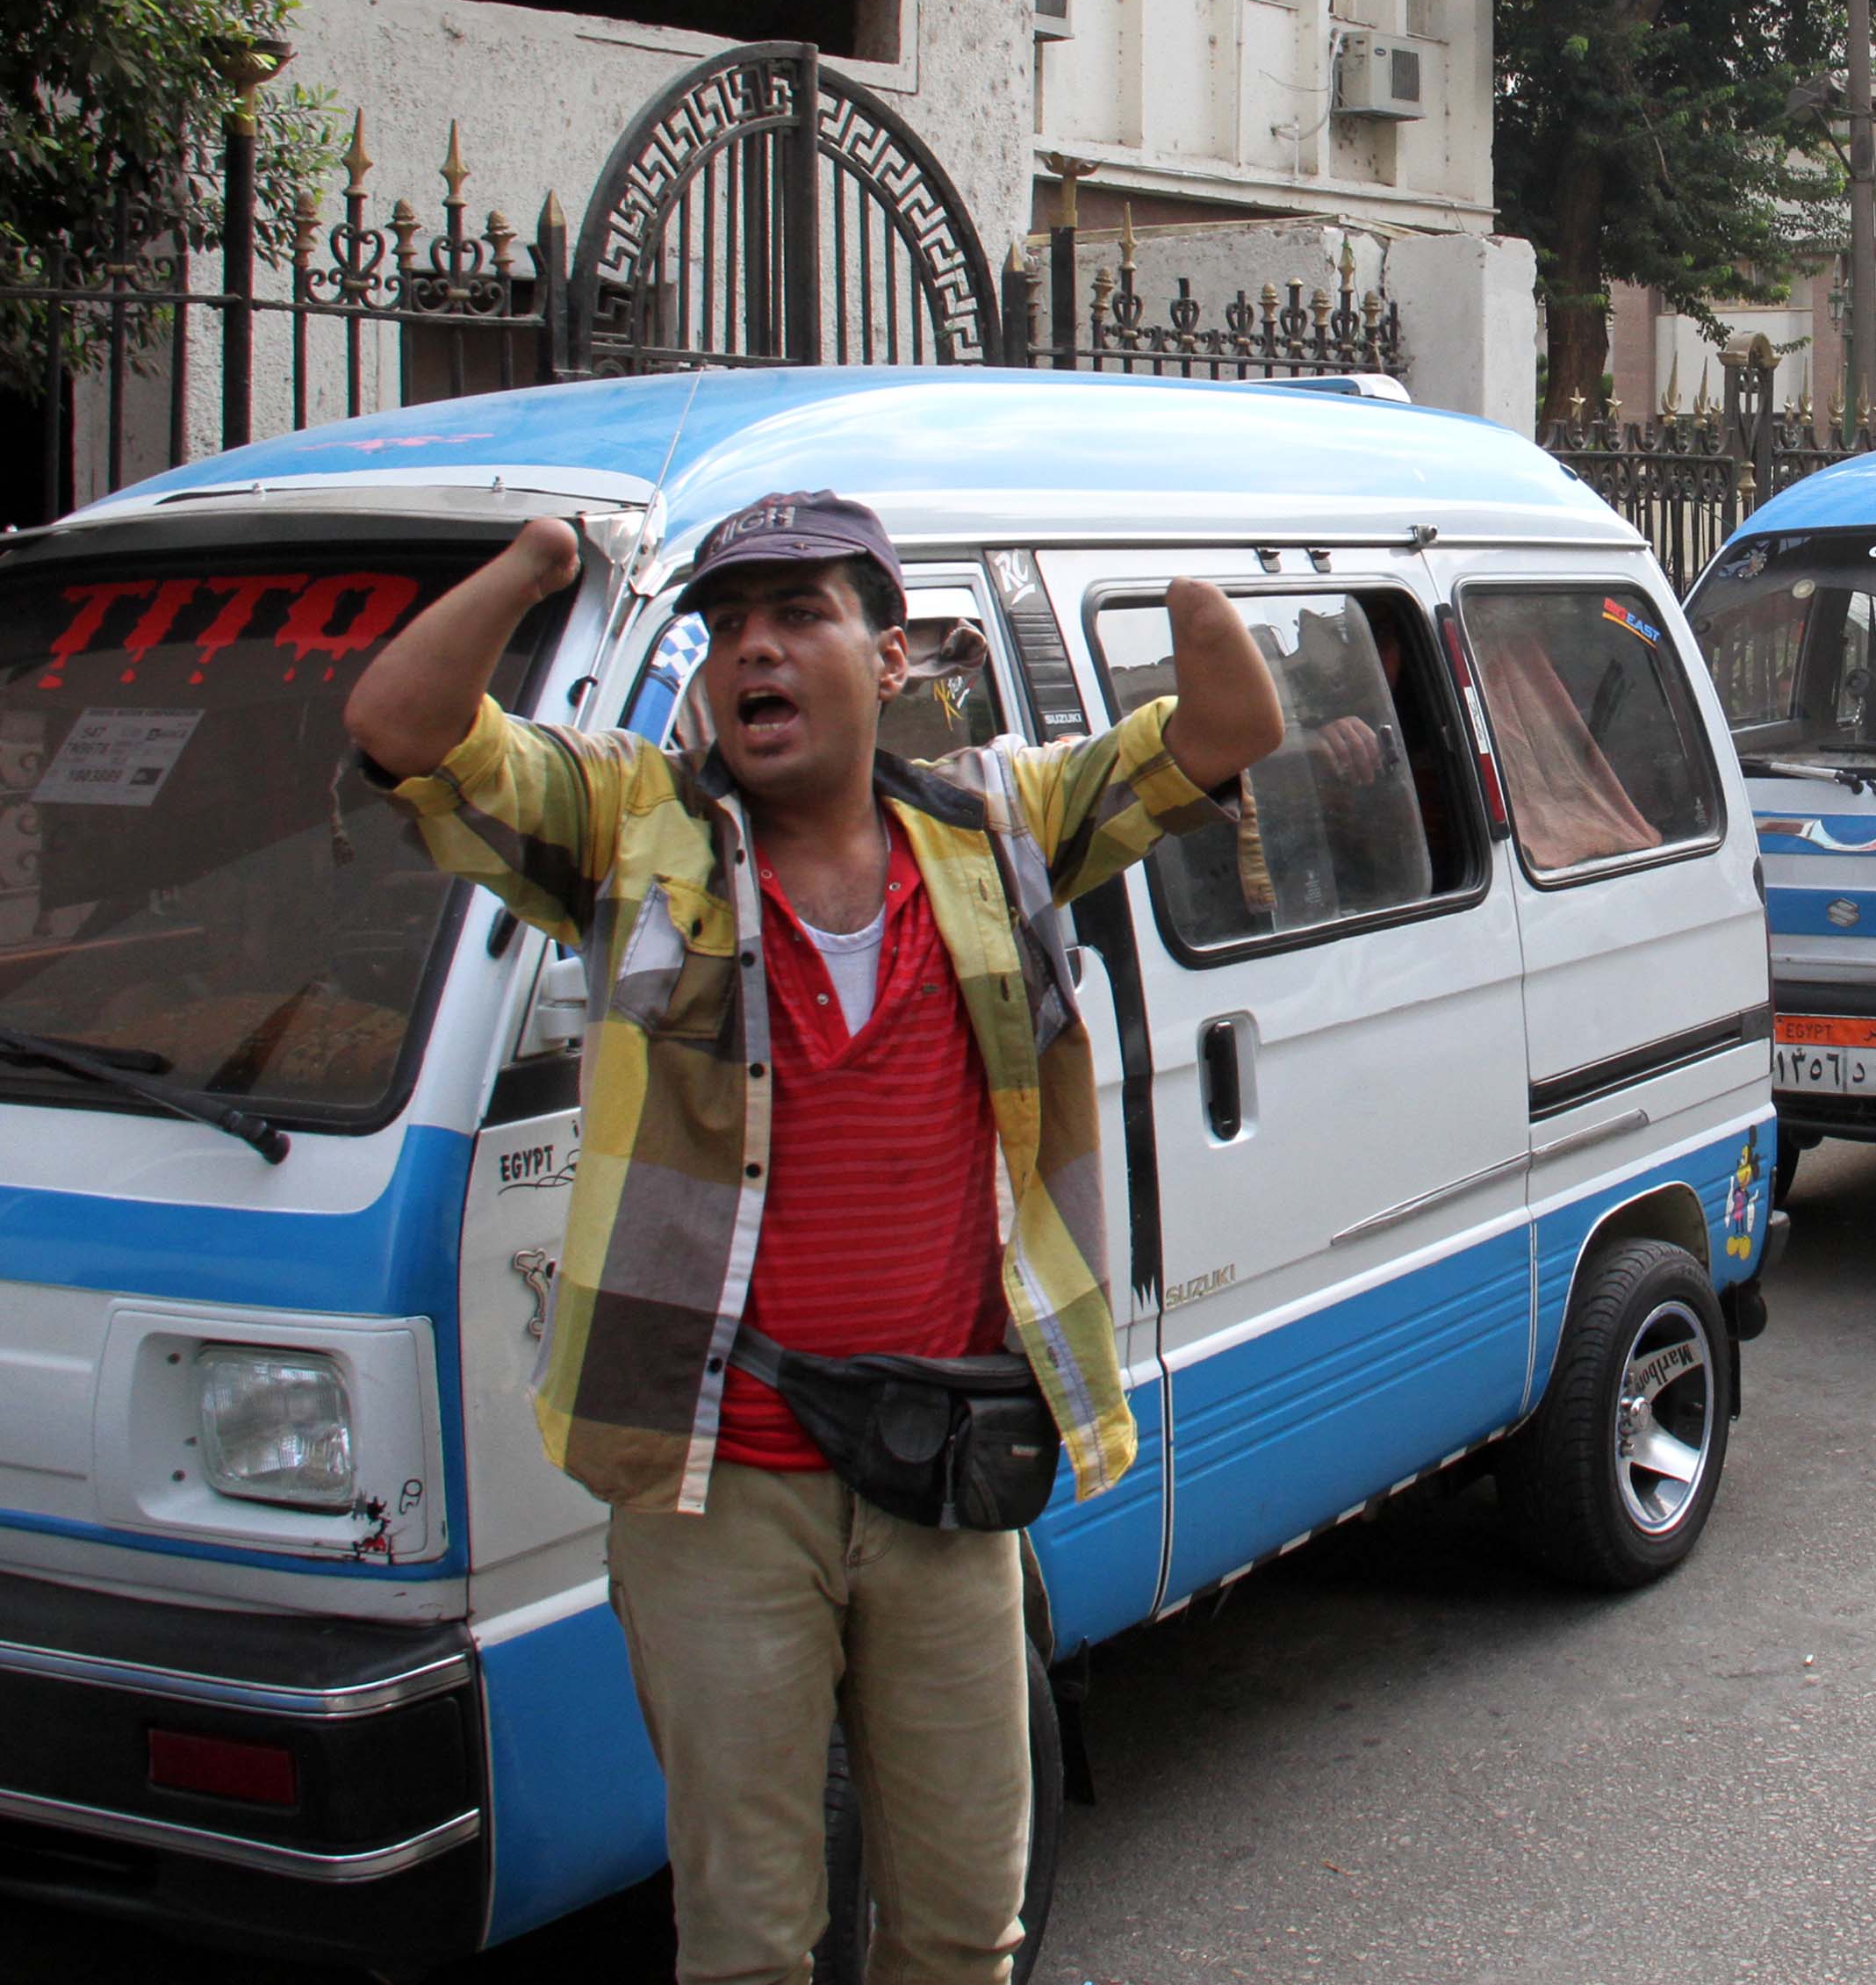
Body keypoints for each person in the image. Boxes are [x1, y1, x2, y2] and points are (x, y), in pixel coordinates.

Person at [342, 493, 1283, 1985]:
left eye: (798, 616)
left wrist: (1180, 580)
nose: (754, 652)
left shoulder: (996, 827)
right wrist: (532, 569)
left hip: (944, 1472)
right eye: (728, 627)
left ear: (890, 654)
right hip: (716, 1489)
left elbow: (1230, 728)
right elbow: (403, 731)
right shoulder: (634, 829)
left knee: (965, 1928)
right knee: (752, 1942)